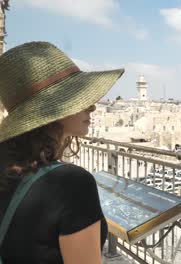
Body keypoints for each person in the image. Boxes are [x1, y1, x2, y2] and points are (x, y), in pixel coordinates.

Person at [0, 42, 124, 263]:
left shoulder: (8, 166)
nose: (92, 107)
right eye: (78, 98)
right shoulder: (70, 184)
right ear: (53, 110)